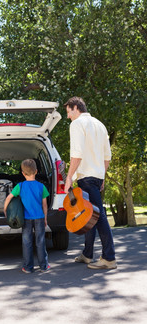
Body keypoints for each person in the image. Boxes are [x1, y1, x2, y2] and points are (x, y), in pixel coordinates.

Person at [64, 96, 117, 269]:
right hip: (97, 175)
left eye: (68, 112)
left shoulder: (77, 124)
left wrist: (69, 177)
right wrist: (102, 176)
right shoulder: (100, 125)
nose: (68, 117)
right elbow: (107, 156)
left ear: (75, 108)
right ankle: (87, 254)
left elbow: (76, 155)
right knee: (90, 215)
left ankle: (109, 258)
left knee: (99, 215)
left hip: (86, 176)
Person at [4, 159, 50, 273]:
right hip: (39, 217)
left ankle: (28, 267)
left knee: (27, 242)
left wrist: (5, 210)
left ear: (23, 173)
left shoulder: (20, 186)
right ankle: (44, 266)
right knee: (40, 241)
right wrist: (45, 218)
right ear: (36, 171)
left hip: (26, 219)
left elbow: (9, 198)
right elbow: (45, 205)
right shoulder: (41, 186)